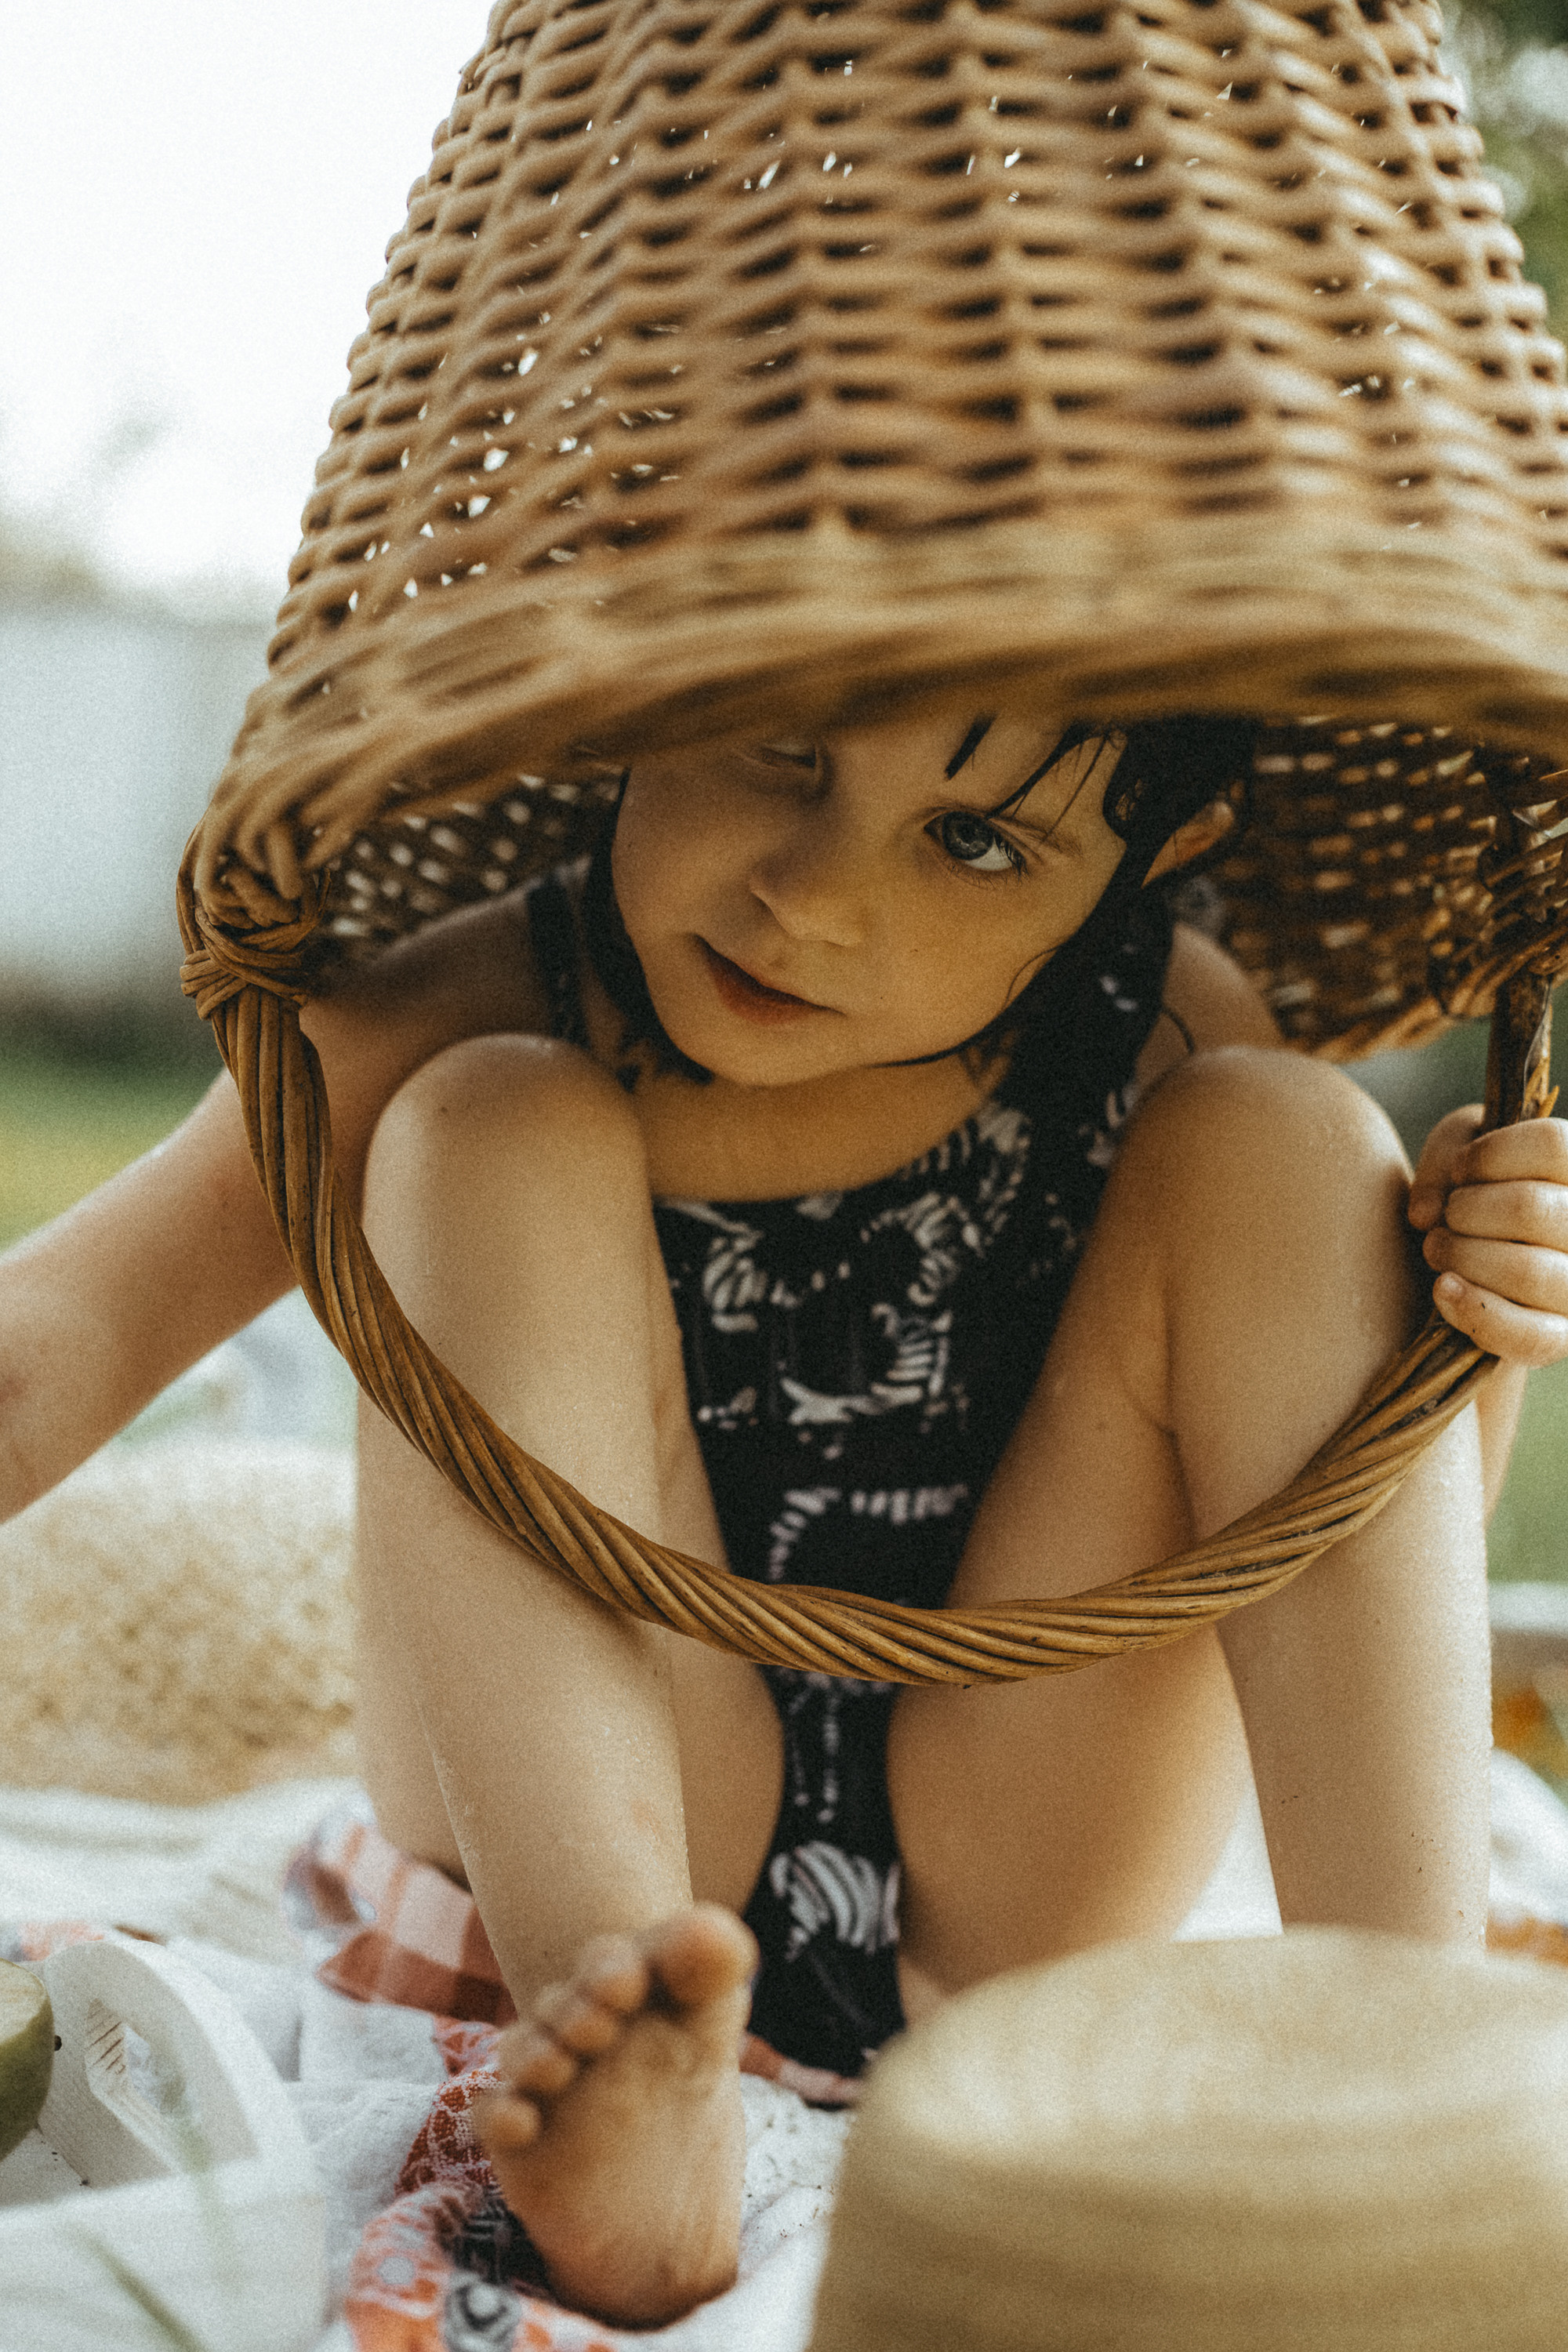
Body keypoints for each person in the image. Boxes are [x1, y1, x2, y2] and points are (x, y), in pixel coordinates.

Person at [2, 698, 1566, 2325]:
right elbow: (56, 1344)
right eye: (782, 750)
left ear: (1151, 857)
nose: (812, 899)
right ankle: (638, 2099)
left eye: (973, 839)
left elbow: (1321, 1580)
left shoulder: (1165, 1020)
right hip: (596, 1843)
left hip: (1017, 1848)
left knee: (1297, 1139)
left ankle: (1417, 2074)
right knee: (486, 1123)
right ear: (644, 687)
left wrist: (1467, 1326)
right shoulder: (469, 998)